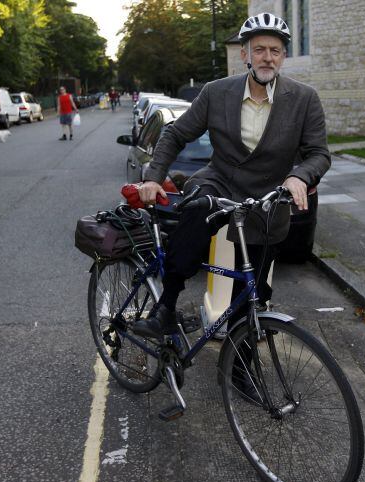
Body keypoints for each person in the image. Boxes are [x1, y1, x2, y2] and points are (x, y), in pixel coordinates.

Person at [133, 13, 330, 397]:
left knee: (252, 293)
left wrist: (299, 176)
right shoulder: (217, 92)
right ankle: (167, 308)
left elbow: (319, 153)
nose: (267, 57)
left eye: (275, 50)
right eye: (260, 49)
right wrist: (153, 176)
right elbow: (175, 133)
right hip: (219, 180)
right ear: (245, 55)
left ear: (283, 57)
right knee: (193, 211)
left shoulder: (304, 99)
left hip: (268, 199)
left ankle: (240, 368)